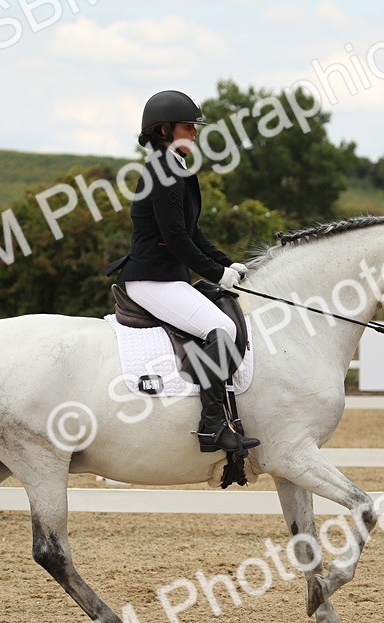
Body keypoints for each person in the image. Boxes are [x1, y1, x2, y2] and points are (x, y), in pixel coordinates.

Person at [111, 89, 259, 455]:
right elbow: (176, 239)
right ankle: (212, 426)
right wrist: (214, 271)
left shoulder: (173, 167)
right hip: (151, 278)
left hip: (167, 276)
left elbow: (192, 232)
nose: (195, 132)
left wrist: (225, 264)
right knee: (221, 327)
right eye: (188, 126)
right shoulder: (163, 171)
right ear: (164, 131)